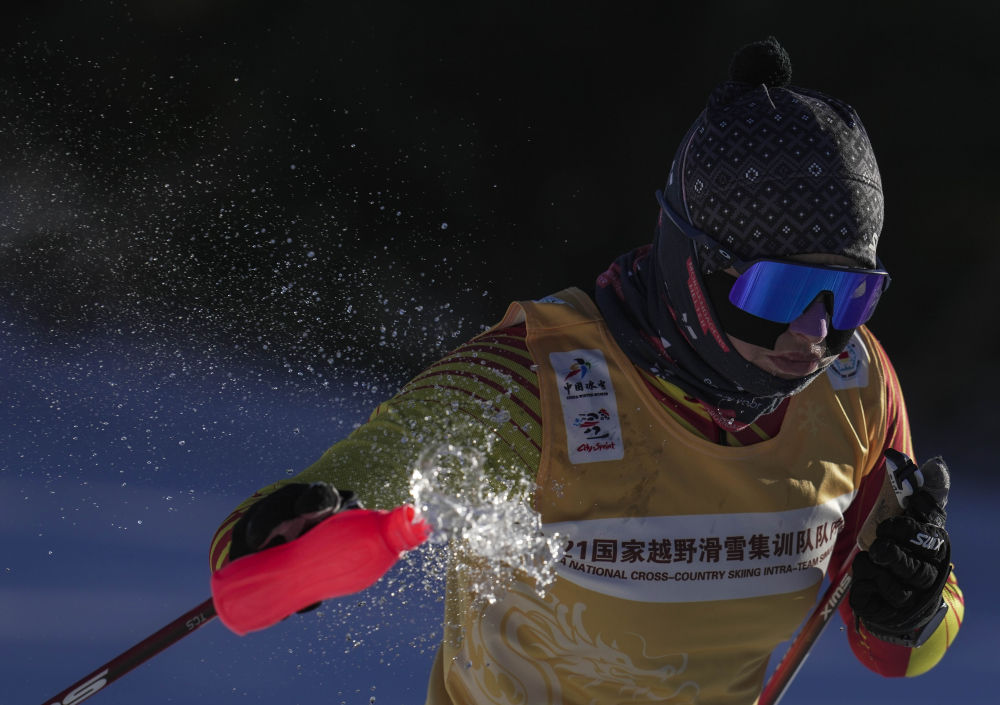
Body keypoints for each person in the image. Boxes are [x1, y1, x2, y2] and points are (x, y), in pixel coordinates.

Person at [209, 38, 964, 704]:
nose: (815, 332)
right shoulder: (535, 383)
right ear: (691, 259)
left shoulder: (853, 386)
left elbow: (894, 653)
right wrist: (291, 536)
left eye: (852, 293)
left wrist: (915, 602)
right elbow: (276, 554)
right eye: (782, 290)